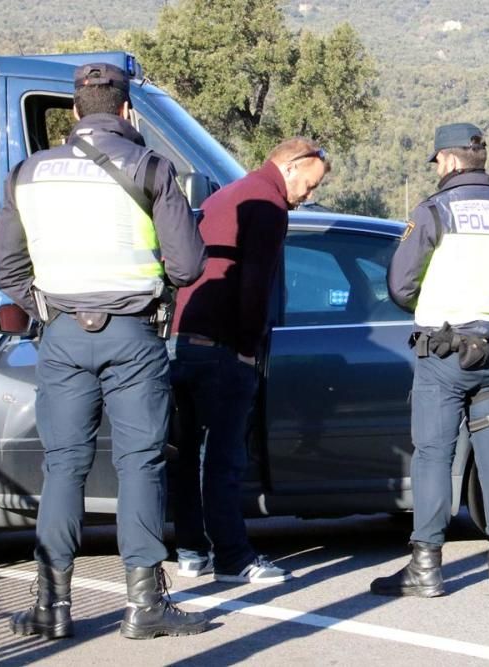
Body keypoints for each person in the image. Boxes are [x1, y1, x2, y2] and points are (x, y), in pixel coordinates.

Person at [0, 63, 208, 640]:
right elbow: (188, 266)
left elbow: (5, 268)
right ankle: (144, 607)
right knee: (140, 463)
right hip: (134, 334)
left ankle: (50, 607)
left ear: (75, 111)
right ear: (127, 111)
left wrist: (48, 310)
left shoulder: (28, 173)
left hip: (61, 336)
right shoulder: (150, 168)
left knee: (63, 466)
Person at [370, 122, 489, 597]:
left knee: (434, 457)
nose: (437, 167)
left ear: (451, 160)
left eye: (438, 160)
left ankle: (426, 568)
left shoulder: (434, 212)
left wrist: (434, 307)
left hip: (443, 355)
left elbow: (400, 286)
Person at [171, 137, 329, 584]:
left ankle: (191, 550)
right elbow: (255, 283)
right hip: (225, 343)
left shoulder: (229, 193)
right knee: (224, 458)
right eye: (310, 184)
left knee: (189, 455)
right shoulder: (268, 202)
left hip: (186, 336)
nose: (308, 195)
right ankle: (233, 558)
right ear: (292, 166)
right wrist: (246, 344)